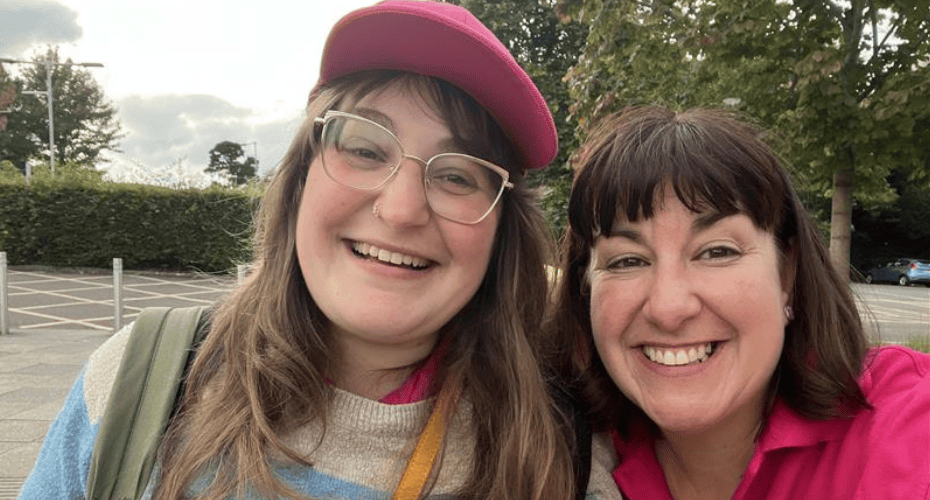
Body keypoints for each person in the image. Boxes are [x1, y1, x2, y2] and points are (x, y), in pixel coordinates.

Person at [18, 2, 622, 499]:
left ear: (501, 234)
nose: (402, 209)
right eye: (364, 150)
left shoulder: (562, 459)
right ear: (301, 176)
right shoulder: (137, 384)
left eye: (458, 175)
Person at [550, 105, 930, 499]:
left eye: (717, 252)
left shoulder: (906, 427)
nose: (669, 309)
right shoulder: (552, 455)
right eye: (627, 261)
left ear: (786, 273)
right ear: (585, 289)